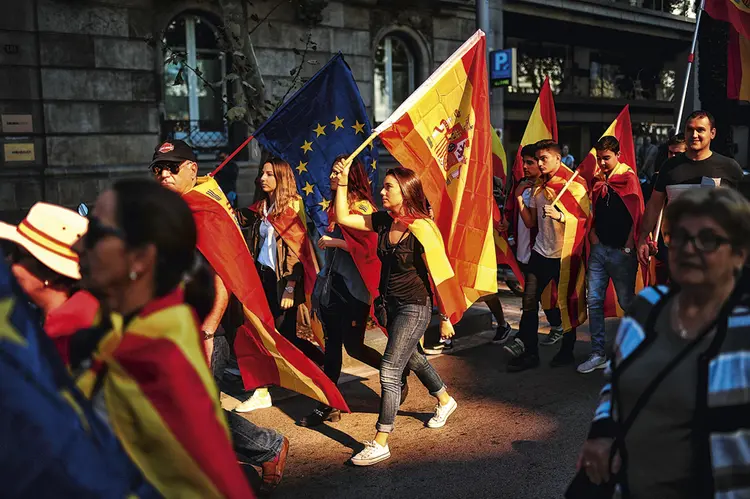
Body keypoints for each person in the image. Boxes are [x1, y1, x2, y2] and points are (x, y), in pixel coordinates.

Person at [71, 179, 254, 498]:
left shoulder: (148, 352)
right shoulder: (142, 321)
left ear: (140, 258)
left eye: (96, 232)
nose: (77, 246)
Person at [575, 187, 750, 498]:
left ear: (739, 253)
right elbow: (615, 383)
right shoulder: (647, 307)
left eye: (708, 240)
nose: (689, 249)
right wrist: (601, 434)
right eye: (679, 237)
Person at [149, 140, 289, 494]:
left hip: (207, 328)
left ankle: (267, 446)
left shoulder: (203, 211)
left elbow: (221, 276)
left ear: (192, 169)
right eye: (158, 168)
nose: (164, 173)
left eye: (172, 167)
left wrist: (209, 331)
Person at [333, 161, 458, 466]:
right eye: (383, 186)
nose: (382, 191)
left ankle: (380, 441)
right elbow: (343, 217)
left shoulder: (422, 227)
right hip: (391, 307)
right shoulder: (384, 221)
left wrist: (445, 317)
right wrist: (343, 182)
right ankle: (444, 398)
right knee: (412, 358)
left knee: (390, 368)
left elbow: (440, 273)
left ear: (406, 190)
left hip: (416, 306)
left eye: (388, 186)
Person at [300, 158, 386, 427]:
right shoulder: (335, 207)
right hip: (332, 287)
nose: (334, 175)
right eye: (334, 170)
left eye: (341, 171)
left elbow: (373, 250)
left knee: (355, 347)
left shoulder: (361, 207)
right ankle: (328, 405)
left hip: (354, 290)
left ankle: (397, 372)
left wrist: (337, 241)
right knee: (332, 347)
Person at [237, 156, 325, 412]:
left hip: (283, 282)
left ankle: (324, 365)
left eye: (268, 174)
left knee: (283, 337)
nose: (261, 178)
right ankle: (264, 388)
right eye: (262, 174)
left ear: (281, 178)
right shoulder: (262, 207)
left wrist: (290, 286)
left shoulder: (292, 208)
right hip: (263, 278)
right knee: (264, 332)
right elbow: (237, 219)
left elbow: (298, 252)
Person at [506, 140, 590, 372]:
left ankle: (567, 350)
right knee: (529, 302)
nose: (540, 164)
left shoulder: (575, 184)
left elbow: (586, 221)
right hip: (540, 252)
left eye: (544, 159)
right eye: (538, 159)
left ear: (557, 158)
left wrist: (562, 216)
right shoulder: (537, 185)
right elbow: (531, 222)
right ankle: (530, 352)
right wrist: (520, 200)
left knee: (566, 302)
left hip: (565, 255)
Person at [637, 110, 744, 270]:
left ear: (712, 133)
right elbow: (654, 206)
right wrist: (642, 239)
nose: (694, 134)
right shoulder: (669, 167)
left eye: (700, 129)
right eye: (690, 129)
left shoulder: (729, 168)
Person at [0, 202, 98, 365]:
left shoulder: (68, 331)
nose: (9, 260)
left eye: (18, 255)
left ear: (50, 274)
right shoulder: (82, 309)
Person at [578, 136, 643, 374]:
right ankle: (597, 353)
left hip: (621, 252)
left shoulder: (628, 178)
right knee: (593, 301)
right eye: (599, 158)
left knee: (627, 302)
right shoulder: (598, 180)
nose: (602, 163)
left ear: (618, 155)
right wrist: (593, 235)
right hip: (599, 249)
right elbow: (594, 210)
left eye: (606, 158)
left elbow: (636, 215)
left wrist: (628, 246)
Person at [498, 144, 562, 353]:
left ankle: (558, 333)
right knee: (531, 299)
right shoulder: (525, 187)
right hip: (528, 249)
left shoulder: (551, 188)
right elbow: (520, 216)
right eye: (524, 162)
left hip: (551, 252)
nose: (525, 167)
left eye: (531, 162)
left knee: (548, 297)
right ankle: (527, 344)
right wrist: (507, 221)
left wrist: (560, 216)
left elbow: (533, 222)